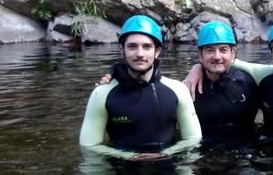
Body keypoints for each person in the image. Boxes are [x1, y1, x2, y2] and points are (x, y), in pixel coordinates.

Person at [79, 15, 201, 161]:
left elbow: (193, 140)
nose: (140, 54)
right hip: (123, 166)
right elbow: (89, 146)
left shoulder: (178, 90)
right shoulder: (102, 94)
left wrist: (165, 154)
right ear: (121, 49)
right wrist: (129, 156)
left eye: (147, 47)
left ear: (157, 51)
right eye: (132, 46)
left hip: (167, 164)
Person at [191, 21, 259, 141]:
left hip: (243, 153)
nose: (217, 57)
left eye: (223, 50)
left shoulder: (249, 83)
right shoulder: (188, 88)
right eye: (210, 50)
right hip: (204, 155)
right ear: (200, 55)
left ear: (233, 53)